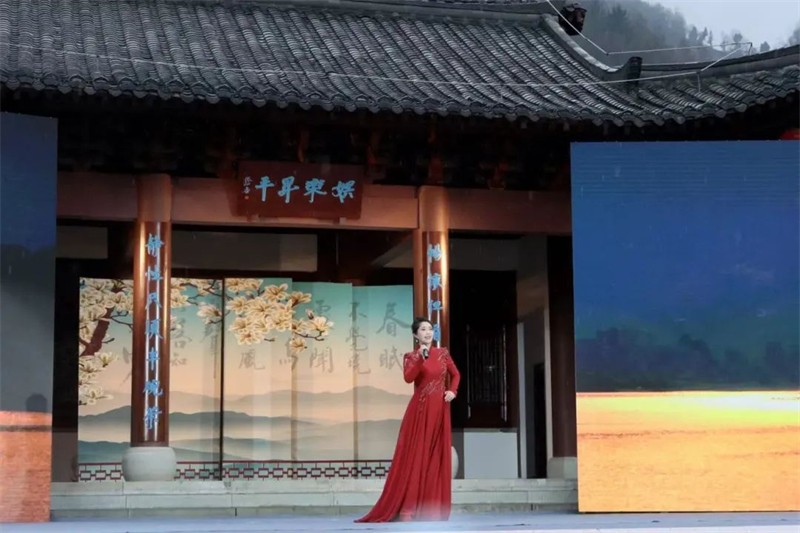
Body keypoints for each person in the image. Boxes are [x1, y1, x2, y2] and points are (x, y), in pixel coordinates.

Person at [355, 316, 461, 523]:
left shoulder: (443, 353)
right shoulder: (411, 356)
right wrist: (421, 357)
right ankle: (408, 509)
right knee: (417, 455)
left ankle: (431, 509)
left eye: (430, 329)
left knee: (435, 456)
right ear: (415, 335)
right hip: (420, 410)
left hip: (440, 409)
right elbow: (408, 378)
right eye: (423, 330)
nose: (428, 332)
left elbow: (456, 375)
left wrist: (453, 391)